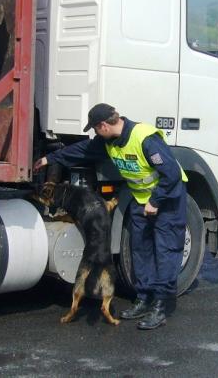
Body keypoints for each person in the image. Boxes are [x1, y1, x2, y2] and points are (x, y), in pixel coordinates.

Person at [34, 103, 188, 330]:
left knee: (165, 252)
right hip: (141, 200)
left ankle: (161, 305)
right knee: (140, 250)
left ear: (104, 125)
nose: (95, 133)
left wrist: (155, 201)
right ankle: (144, 299)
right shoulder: (109, 141)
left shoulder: (145, 138)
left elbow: (172, 174)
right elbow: (83, 150)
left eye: (96, 128)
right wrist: (50, 159)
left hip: (167, 200)